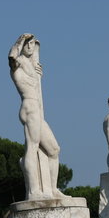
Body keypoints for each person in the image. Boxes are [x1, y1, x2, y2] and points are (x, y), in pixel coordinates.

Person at [9, 33, 67, 201]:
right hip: (29, 107)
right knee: (32, 148)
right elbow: (12, 57)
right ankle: (33, 191)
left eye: (33, 44)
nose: (30, 46)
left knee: (54, 150)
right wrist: (19, 40)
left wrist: (38, 74)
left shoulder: (32, 66)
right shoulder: (17, 63)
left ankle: (53, 188)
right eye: (28, 43)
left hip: (38, 110)